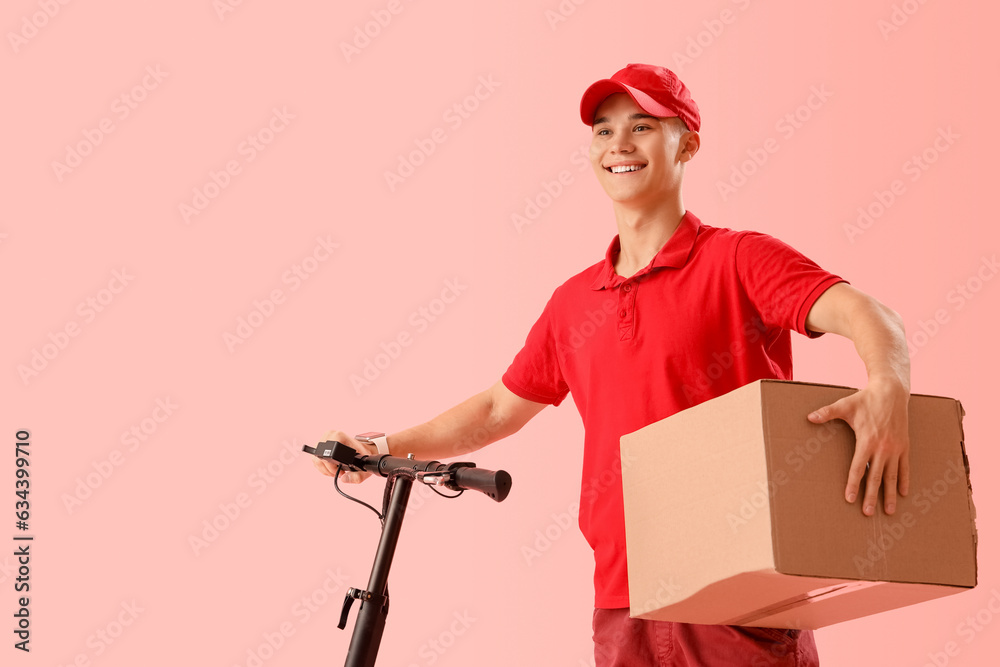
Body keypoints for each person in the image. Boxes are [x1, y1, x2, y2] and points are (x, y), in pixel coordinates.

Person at [313, 63, 911, 666]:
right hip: (624, 599)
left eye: (642, 126)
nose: (619, 144)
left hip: (738, 592)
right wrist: (381, 445)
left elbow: (869, 314)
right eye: (602, 131)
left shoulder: (738, 259)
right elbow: (500, 408)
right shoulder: (575, 301)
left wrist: (888, 386)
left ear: (688, 144)